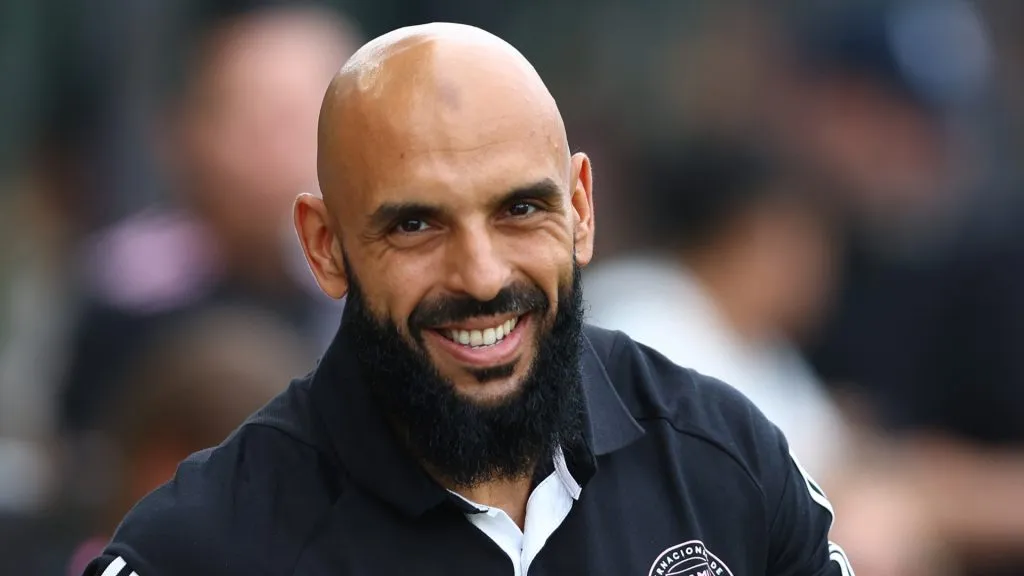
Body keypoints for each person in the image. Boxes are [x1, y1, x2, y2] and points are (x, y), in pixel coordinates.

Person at [84, 23, 854, 576]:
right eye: (416, 224)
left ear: (581, 209)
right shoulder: (205, 545)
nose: (483, 277)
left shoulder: (723, 461)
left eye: (520, 210)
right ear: (326, 245)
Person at [584, 137, 848, 486]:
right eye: (803, 243)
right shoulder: (641, 312)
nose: (823, 268)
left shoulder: (767, 344)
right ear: (746, 235)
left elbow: (829, 461)